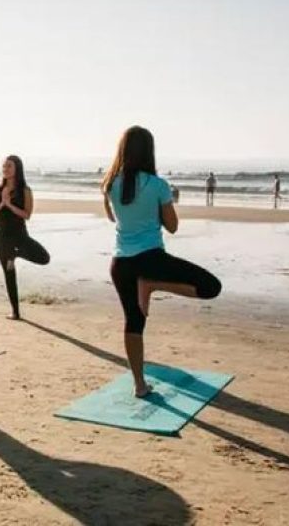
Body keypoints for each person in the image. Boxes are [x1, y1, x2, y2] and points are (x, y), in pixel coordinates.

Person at [102, 126, 222, 398]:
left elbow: (113, 219)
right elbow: (173, 226)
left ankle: (139, 385)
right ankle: (153, 283)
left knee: (133, 322)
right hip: (151, 259)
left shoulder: (110, 184)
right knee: (211, 286)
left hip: (120, 263)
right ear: (149, 151)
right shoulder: (157, 185)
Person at [0, 155, 50, 320]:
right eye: (4, 166)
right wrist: (1, 203)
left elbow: (26, 215)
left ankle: (16, 254)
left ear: (17, 169)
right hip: (2, 237)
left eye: (9, 166)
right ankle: (15, 312)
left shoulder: (25, 190)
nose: (5, 169)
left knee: (44, 257)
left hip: (20, 236)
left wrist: (10, 205)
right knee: (9, 274)